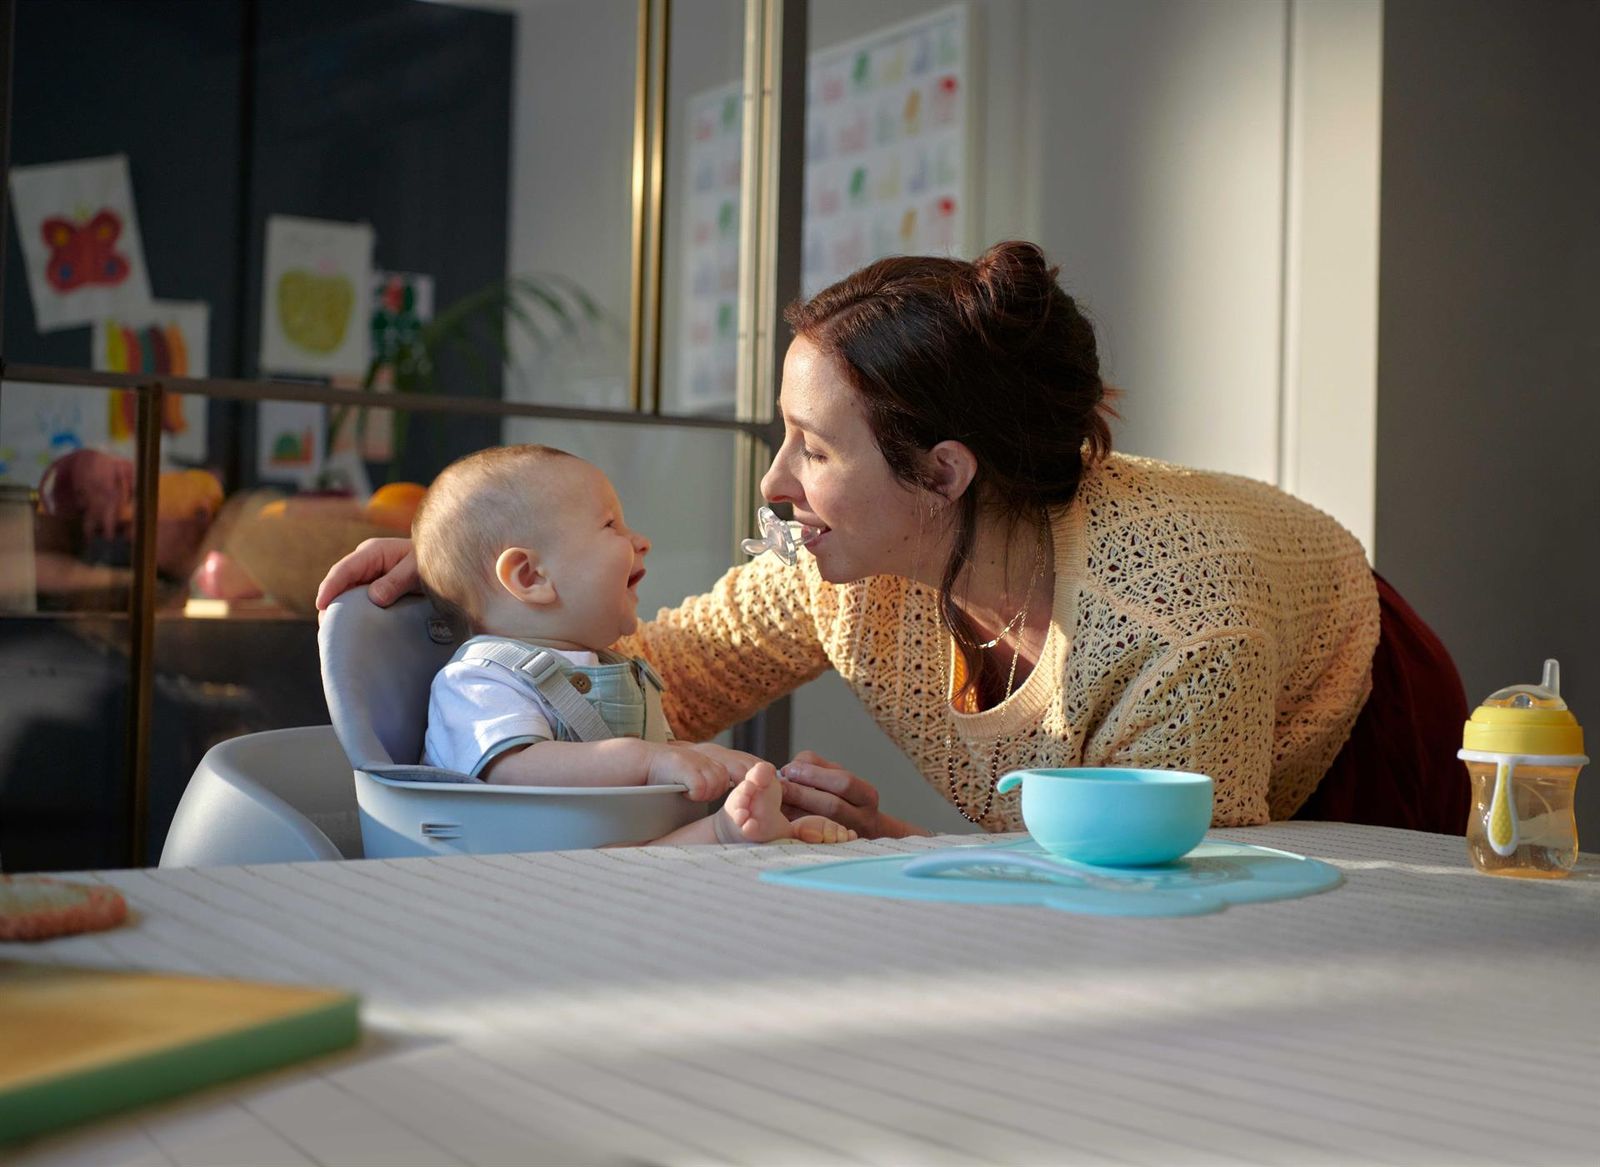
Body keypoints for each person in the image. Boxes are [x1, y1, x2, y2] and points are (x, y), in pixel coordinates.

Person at [319, 240, 1469, 839]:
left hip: (1347, 717)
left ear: (943, 473)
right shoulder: (838, 567)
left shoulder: (1176, 629)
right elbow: (648, 679)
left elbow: (1162, 892)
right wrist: (469, 574)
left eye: (812, 448)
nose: (774, 484)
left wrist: (903, 846)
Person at [411, 442, 856, 847]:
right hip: (513, 861)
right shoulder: (478, 680)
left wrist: (706, 759)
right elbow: (511, 772)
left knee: (683, 845)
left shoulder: (613, 667)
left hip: (602, 853)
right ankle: (732, 834)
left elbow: (649, 755)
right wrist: (646, 761)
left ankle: (740, 829)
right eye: (611, 525)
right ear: (531, 577)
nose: (641, 541)